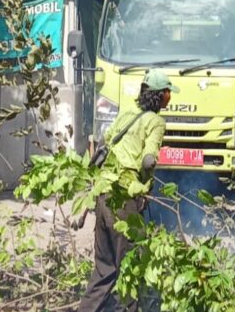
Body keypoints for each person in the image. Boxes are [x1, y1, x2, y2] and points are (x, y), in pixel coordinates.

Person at [79, 69, 177, 312]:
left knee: (104, 268)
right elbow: (148, 161)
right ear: (160, 95)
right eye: (168, 92)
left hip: (104, 192)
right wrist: (145, 186)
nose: (170, 96)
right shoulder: (156, 122)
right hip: (124, 200)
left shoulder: (126, 113)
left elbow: (103, 142)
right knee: (130, 267)